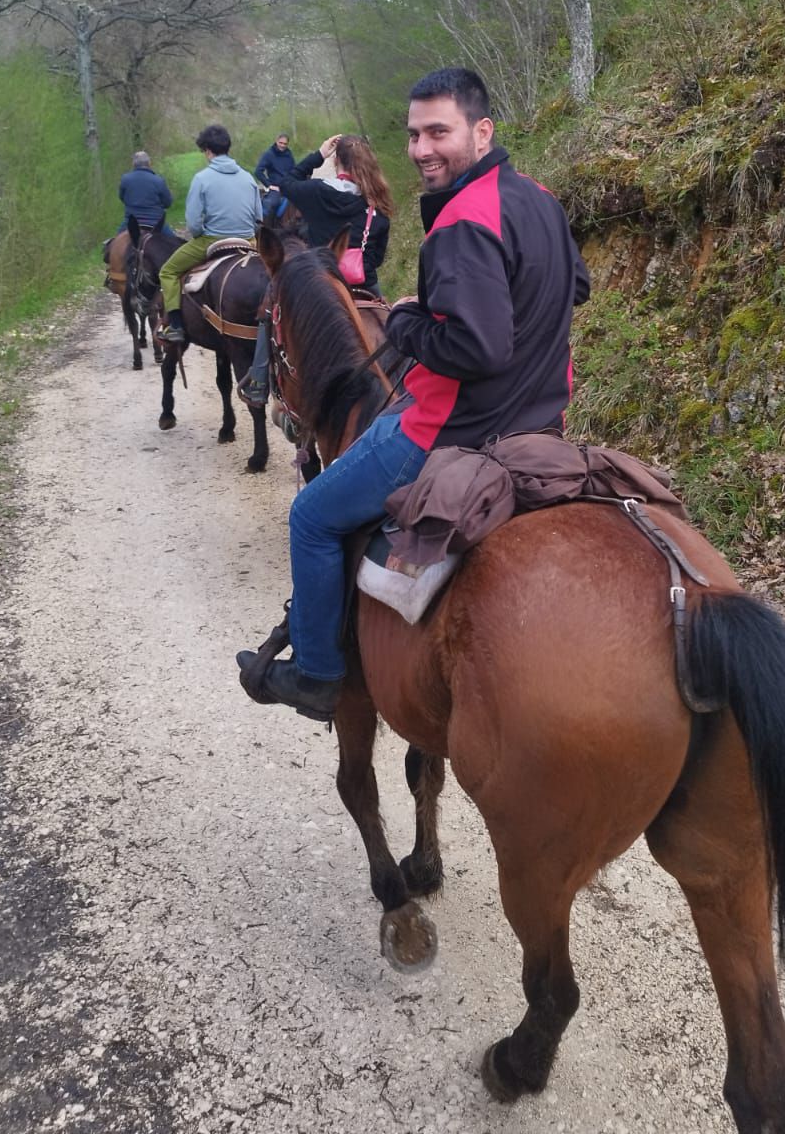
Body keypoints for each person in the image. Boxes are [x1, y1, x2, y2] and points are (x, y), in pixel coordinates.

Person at [236, 67, 591, 721]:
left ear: (482, 131)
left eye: (439, 132)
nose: (422, 149)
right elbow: (577, 286)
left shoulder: (462, 221)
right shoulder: (539, 197)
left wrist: (405, 320)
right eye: (413, 135)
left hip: (448, 429)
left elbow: (478, 350)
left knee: (311, 516)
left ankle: (315, 673)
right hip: (541, 424)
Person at [238, 132, 394, 405]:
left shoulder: (315, 193)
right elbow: (376, 259)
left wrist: (318, 155)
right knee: (392, 324)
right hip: (363, 283)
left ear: (336, 161)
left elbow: (286, 181)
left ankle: (259, 380)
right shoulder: (376, 209)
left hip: (318, 282)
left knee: (269, 310)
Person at [158, 125, 262, 344]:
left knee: (168, 271)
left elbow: (194, 223)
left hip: (212, 240)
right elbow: (258, 217)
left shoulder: (201, 178)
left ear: (207, 151)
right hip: (248, 241)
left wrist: (200, 233)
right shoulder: (248, 177)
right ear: (227, 148)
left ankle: (175, 326)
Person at [117, 150, 173, 233]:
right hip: (155, 222)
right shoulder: (159, 180)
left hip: (131, 222)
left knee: (115, 240)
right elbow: (168, 203)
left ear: (133, 164)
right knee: (173, 240)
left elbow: (122, 197)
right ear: (149, 163)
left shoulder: (125, 179)